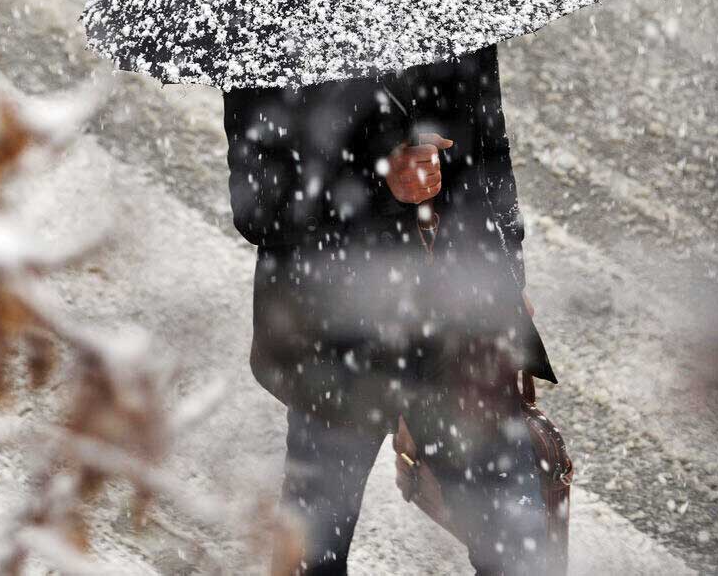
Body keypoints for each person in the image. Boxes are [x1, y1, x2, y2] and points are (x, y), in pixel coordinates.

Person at [223, 44, 557, 575]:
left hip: (459, 323)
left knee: (521, 553)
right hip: (337, 338)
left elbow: (489, 143)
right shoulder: (274, 23)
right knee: (314, 555)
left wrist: (509, 270)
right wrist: (381, 181)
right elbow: (258, 203)